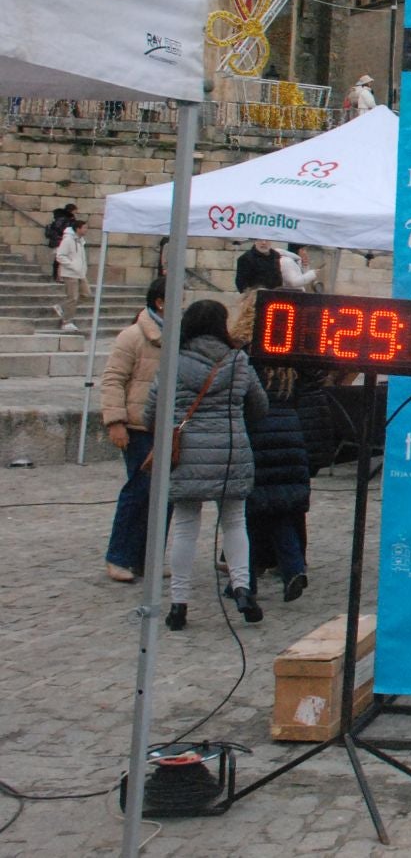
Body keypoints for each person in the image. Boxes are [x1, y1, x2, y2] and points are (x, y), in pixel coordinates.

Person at [145, 299, 267, 630]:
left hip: (187, 453)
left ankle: (179, 603)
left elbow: (152, 409)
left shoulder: (173, 361)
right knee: (234, 521)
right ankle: (242, 588)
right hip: (230, 449)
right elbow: (259, 405)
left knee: (185, 525)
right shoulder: (238, 360)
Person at [232, 292, 312, 603]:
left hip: (256, 434)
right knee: (280, 509)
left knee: (248, 513)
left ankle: (244, 580)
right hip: (289, 431)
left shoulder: (244, 349)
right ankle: (293, 568)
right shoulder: (289, 346)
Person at [99, 278, 166, 583]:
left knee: (166, 495)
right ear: (159, 302)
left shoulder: (176, 336)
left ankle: (149, 558)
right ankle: (120, 556)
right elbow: (113, 379)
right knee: (138, 492)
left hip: (167, 428)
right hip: (138, 426)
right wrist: (115, 421)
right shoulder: (132, 337)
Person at [53, 214, 88, 333]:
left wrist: (81, 269)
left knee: (86, 294)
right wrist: (72, 265)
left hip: (80, 273)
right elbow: (60, 255)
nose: (86, 230)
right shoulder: (68, 240)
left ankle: (62, 307)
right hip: (70, 273)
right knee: (72, 297)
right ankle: (67, 321)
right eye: (84, 228)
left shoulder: (80, 241)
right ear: (78, 228)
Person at [44, 202, 77, 282]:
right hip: (60, 240)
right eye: (75, 211)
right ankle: (57, 276)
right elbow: (59, 228)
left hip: (62, 240)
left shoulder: (66, 218)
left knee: (61, 258)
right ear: (71, 210)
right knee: (59, 258)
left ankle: (59, 276)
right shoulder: (63, 218)